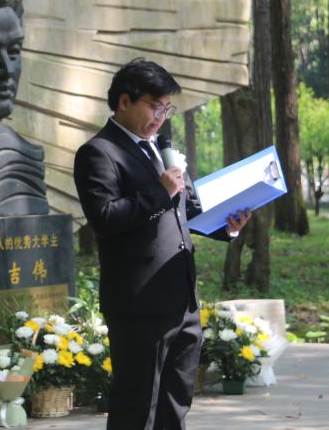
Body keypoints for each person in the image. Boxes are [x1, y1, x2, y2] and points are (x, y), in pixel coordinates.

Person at [73, 58, 251, 430]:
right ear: (124, 101)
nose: (161, 117)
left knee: (175, 402)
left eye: (166, 109)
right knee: (137, 406)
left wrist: (228, 226)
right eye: (155, 107)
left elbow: (187, 210)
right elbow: (104, 218)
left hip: (182, 299)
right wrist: (160, 191)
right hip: (139, 304)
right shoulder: (98, 152)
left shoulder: (162, 149)